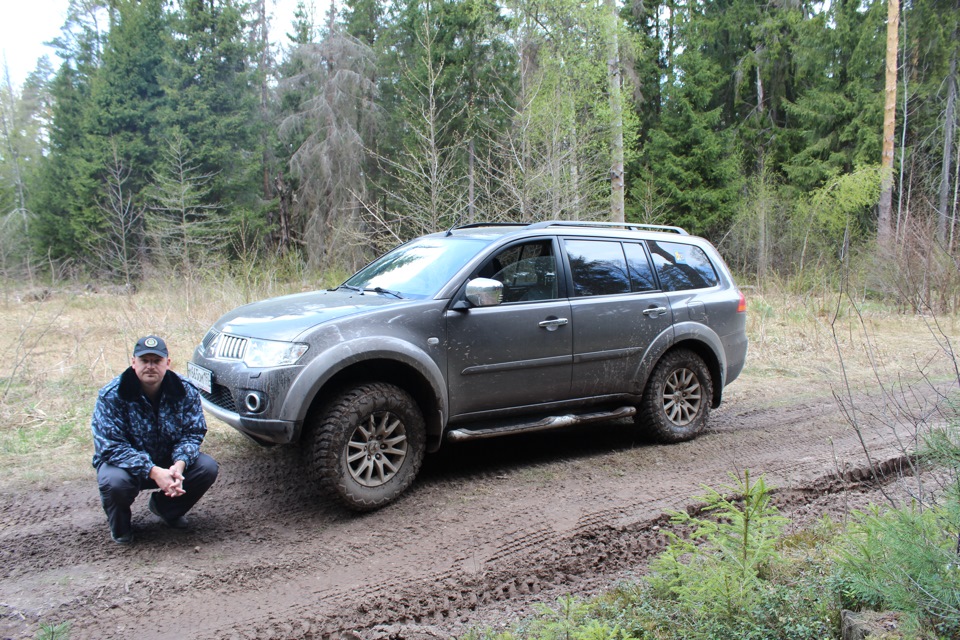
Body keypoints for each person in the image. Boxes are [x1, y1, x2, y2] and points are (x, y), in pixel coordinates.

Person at [91, 335, 218, 544]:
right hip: (126, 468)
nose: (150, 366)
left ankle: (166, 509)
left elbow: (193, 433)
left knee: (207, 467)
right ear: (134, 362)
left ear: (167, 363)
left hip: (168, 461)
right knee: (114, 482)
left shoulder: (186, 390)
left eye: (157, 361)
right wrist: (153, 471)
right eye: (144, 360)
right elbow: (110, 447)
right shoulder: (111, 395)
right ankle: (121, 527)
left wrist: (179, 464)